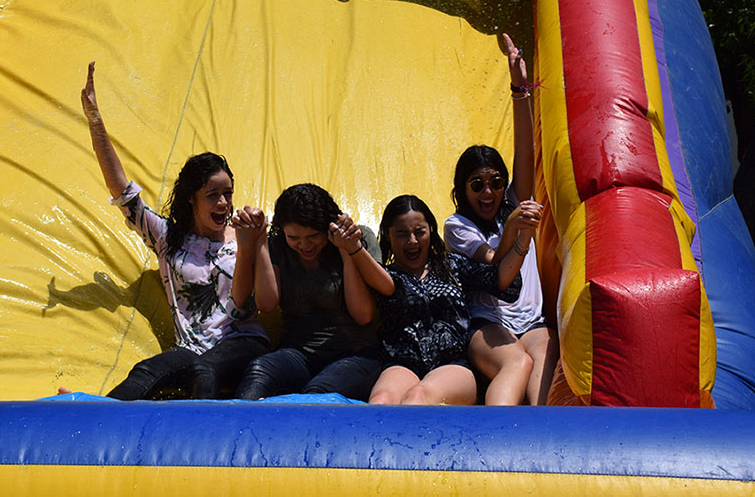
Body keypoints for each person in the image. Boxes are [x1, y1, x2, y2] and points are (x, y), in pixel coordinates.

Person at [78, 61, 268, 400]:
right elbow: (121, 189)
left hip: (241, 343)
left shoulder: (242, 237)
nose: (223, 203)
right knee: (146, 371)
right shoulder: (169, 238)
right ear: (191, 199)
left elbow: (242, 306)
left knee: (204, 369)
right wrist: (94, 119)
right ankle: (95, 415)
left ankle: (202, 433)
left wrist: (250, 242)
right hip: (192, 349)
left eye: (228, 193)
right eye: (213, 195)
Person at [443, 34, 559, 406]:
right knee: (517, 362)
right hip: (488, 325)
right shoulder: (457, 226)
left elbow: (526, 150)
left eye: (495, 183)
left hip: (532, 323)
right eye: (477, 185)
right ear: (463, 189)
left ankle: (542, 430)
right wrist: (513, 227)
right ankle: (497, 435)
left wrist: (519, 88)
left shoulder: (513, 202)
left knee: (546, 352)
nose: (489, 193)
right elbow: (496, 266)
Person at [232, 183, 394, 401]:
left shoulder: (357, 237)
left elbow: (363, 315)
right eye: (294, 238)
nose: (304, 246)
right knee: (259, 371)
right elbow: (267, 304)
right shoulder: (278, 246)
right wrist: (260, 239)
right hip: (298, 352)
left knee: (317, 394)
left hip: (355, 353)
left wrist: (346, 250)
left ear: (328, 228)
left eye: (313, 237)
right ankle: (238, 422)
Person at [368, 195, 524, 406]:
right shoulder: (383, 276)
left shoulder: (451, 266)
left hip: (452, 365)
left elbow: (500, 280)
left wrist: (521, 239)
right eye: (402, 234)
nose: (412, 241)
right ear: (388, 236)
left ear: (431, 231)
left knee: (418, 396)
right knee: (381, 401)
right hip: (402, 364)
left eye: (420, 232)